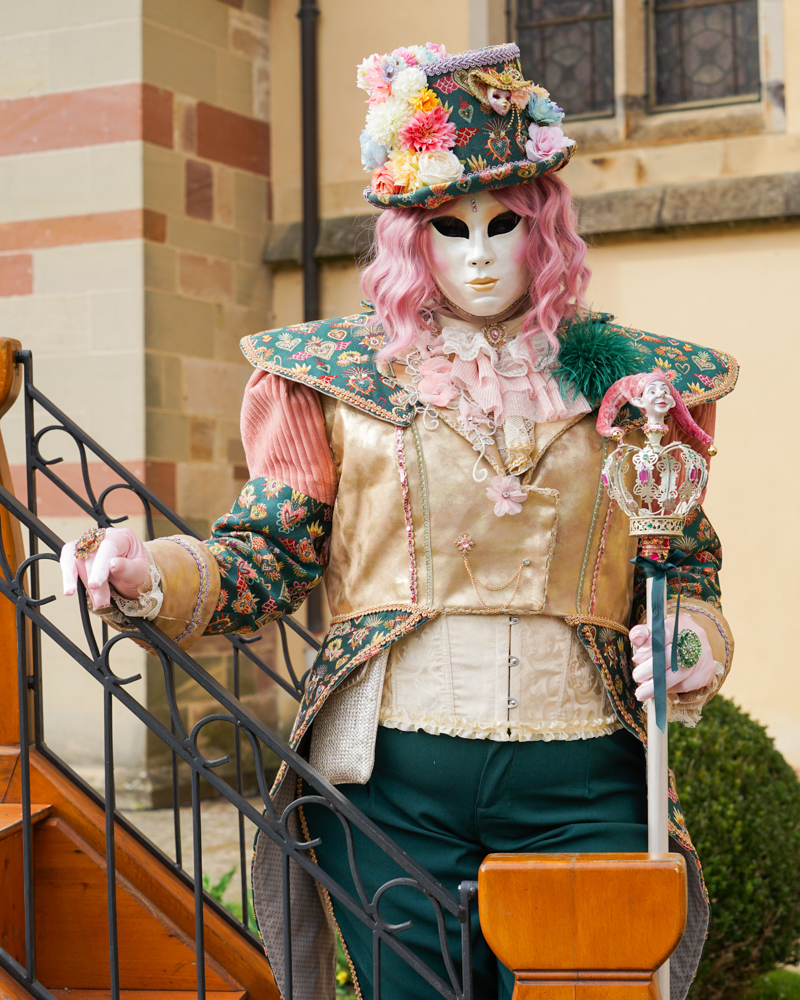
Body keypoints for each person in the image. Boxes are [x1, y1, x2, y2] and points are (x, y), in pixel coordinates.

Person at [61, 41, 736, 1000]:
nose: (479, 252)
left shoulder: (639, 387)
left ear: (545, 227)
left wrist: (690, 642)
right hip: (393, 778)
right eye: (447, 228)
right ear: (409, 239)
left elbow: (687, 567)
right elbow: (270, 554)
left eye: (504, 223)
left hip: (587, 771)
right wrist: (149, 573)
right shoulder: (332, 382)